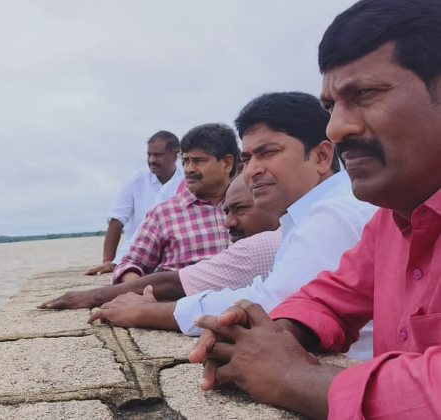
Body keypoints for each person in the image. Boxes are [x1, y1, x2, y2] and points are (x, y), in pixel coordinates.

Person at [189, 1, 441, 418]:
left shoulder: (344, 213)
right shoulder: (391, 221)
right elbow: (330, 299)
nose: (337, 127)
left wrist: (294, 378)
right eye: (331, 107)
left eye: (363, 94)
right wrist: (271, 335)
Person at [89, 92, 376, 361]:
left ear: (322, 157)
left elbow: (269, 305)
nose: (252, 171)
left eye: (269, 152)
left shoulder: (332, 214)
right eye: (248, 158)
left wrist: (146, 313)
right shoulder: (312, 214)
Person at [38, 174, 281, 311]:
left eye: (240, 209)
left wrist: (99, 299)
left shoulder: (265, 244)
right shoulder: (164, 210)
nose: (227, 223)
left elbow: (178, 285)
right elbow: (134, 259)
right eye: (186, 160)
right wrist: (133, 285)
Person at [110, 123, 238, 284]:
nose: (189, 169)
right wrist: (142, 295)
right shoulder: (163, 214)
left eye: (199, 161)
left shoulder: (251, 208)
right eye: (185, 161)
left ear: (227, 163)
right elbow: (130, 265)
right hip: (179, 305)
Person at [86, 131, 183, 276]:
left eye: (158, 155)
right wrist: (109, 261)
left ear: (176, 154)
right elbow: (117, 220)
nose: (151, 160)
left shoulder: (186, 181)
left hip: (173, 257)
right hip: (139, 254)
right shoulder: (135, 180)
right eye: (149, 155)